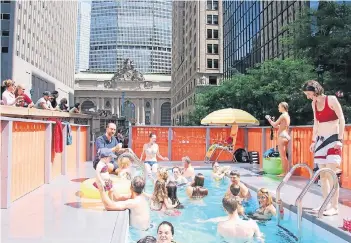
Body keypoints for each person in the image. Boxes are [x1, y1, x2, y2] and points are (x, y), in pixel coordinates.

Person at [303, 80, 345, 216]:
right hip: (321, 141)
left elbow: (342, 119)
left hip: (333, 139)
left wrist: (340, 139)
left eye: (309, 94)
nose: (308, 96)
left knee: (332, 174)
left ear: (315, 91)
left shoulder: (331, 100)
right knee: (323, 175)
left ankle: (334, 206)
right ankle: (325, 203)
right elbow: (316, 122)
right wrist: (314, 140)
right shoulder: (313, 104)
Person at [265, 102, 291, 177]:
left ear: (283, 107)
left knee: (282, 156)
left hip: (282, 136)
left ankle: (284, 173)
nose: (278, 108)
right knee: (284, 156)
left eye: (279, 107)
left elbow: (274, 124)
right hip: (285, 135)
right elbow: (280, 126)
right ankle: (286, 172)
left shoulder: (283, 115)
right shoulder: (287, 116)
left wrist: (269, 119)